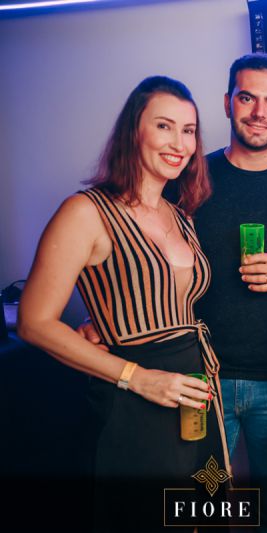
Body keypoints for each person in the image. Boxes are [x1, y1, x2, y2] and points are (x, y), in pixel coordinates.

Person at [78, 54, 267, 530]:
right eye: (247, 98)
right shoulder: (184, 178)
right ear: (227, 103)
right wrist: (110, 318)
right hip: (196, 382)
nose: (259, 112)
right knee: (198, 507)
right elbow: (140, 254)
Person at [18, 76, 226, 532]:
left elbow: (155, 297)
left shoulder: (181, 216)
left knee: (198, 516)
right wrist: (139, 378)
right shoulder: (85, 211)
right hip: (132, 399)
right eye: (164, 126)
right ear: (135, 131)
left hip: (192, 390)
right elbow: (33, 322)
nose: (179, 143)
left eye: (189, 130)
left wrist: (111, 318)